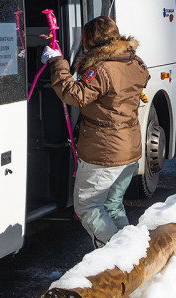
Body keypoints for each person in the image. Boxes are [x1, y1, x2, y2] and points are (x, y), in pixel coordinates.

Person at [41, 17, 149, 248]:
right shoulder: (135, 61)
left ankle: (118, 257)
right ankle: (132, 251)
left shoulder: (102, 69)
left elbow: (74, 95)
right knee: (112, 204)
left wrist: (57, 62)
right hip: (129, 148)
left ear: (91, 40)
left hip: (105, 152)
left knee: (87, 206)